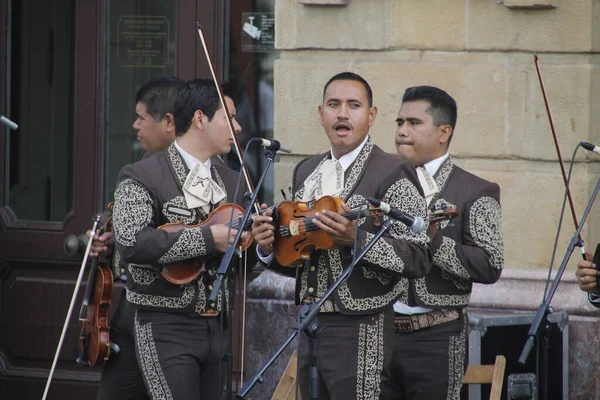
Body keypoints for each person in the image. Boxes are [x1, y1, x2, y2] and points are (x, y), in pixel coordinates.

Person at [251, 72, 432, 400]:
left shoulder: (393, 170)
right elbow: (301, 253)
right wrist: (267, 247)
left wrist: (357, 239)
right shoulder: (306, 170)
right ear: (321, 114)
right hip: (311, 321)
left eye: (353, 105)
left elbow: (419, 255)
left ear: (371, 116)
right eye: (333, 105)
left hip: (363, 326)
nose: (342, 113)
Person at [380, 86, 504, 399]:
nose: (402, 132)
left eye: (413, 123)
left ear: (443, 132)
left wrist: (432, 240)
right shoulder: (381, 180)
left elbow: (489, 265)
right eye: (398, 123)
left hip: (437, 338)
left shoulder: (475, 190)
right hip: (379, 332)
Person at [94, 75, 184, 400]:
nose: (135, 125)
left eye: (142, 117)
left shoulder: (196, 174)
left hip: (166, 314)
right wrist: (109, 236)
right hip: (129, 307)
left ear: (170, 123)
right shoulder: (143, 167)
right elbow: (129, 223)